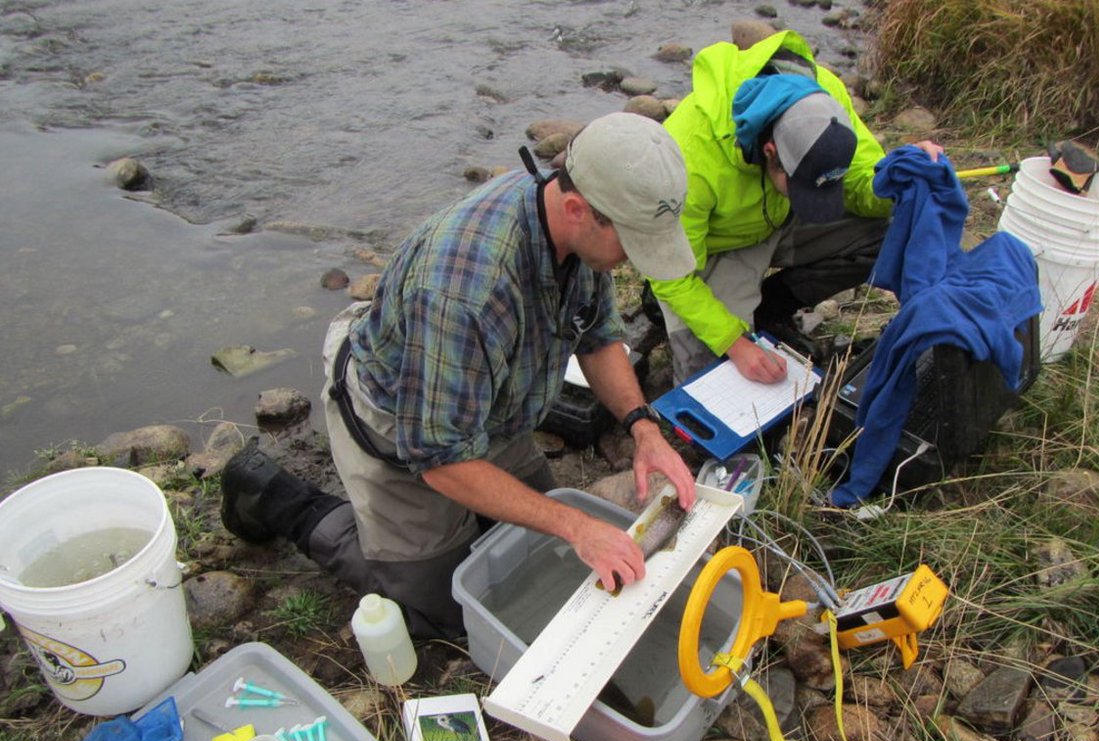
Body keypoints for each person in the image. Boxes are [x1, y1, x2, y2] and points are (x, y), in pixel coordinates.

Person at [220, 112, 698, 639]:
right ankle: (277, 497)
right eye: (631, 243)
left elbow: (597, 334)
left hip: (490, 407)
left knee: (543, 556)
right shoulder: (463, 290)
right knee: (444, 611)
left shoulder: (578, 228)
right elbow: (439, 459)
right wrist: (576, 526)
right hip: (402, 420)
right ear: (577, 209)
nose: (633, 261)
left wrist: (643, 428)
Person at [646, 29, 942, 385]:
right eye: (803, 186)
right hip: (716, 246)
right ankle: (666, 310)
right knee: (710, 377)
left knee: (894, 229)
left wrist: (897, 178)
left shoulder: (824, 99)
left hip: (783, 218)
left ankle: (770, 307)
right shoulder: (689, 155)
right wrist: (734, 342)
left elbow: (864, 178)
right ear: (770, 152)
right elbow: (672, 275)